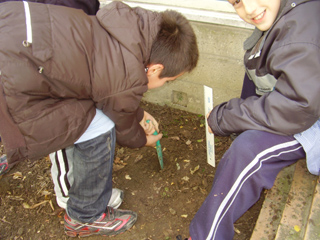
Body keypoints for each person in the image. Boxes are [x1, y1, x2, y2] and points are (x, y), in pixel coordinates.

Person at [0, 1, 199, 238]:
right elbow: (122, 120)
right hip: (12, 82)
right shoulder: (125, 77)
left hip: (12, 29)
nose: (167, 83)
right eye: (170, 80)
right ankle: (85, 216)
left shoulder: (122, 29)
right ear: (155, 69)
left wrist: (138, 112)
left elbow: (111, 89)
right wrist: (142, 140)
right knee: (100, 125)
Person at [188, 0, 320, 239]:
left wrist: (225, 117)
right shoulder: (284, 13)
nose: (248, 9)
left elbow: (297, 107)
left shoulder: (300, 29)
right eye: (237, 2)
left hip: (310, 118)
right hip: (306, 107)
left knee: (248, 152)